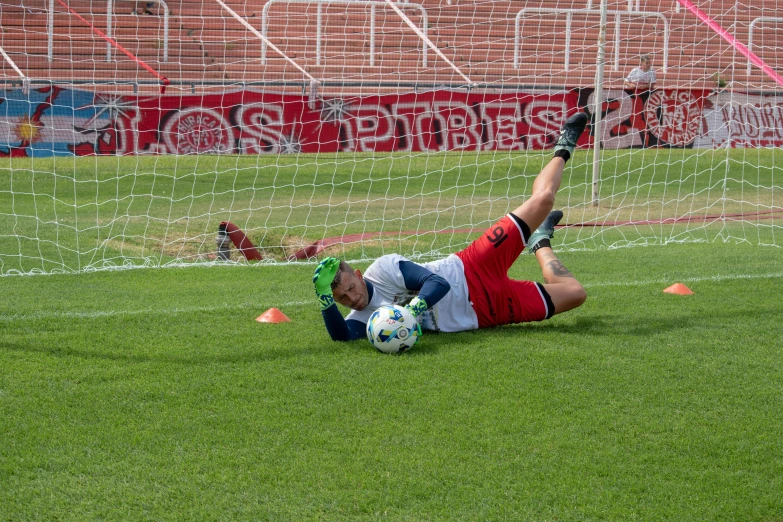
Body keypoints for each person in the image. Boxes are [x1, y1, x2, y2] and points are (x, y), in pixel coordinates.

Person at [312, 112, 589, 342]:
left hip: (471, 266)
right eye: (342, 299)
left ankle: (563, 147)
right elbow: (343, 336)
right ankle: (541, 243)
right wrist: (325, 300)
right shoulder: (363, 317)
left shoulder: (384, 269)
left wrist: (414, 308)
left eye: (350, 288)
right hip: (485, 313)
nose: (352, 299)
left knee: (543, 200)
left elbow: (437, 283)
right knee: (575, 294)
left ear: (358, 275)